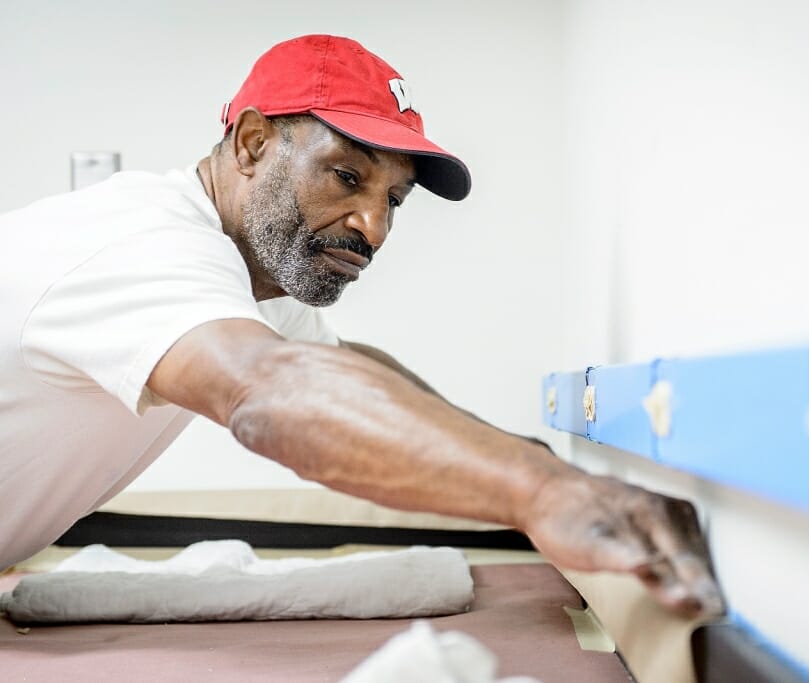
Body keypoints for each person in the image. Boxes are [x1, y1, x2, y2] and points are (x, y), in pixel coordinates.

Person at [0, 35, 722, 617]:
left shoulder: (247, 277)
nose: (372, 228)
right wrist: (539, 491)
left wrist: (534, 458)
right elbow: (269, 392)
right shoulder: (145, 242)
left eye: (395, 201)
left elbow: (344, 371)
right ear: (252, 142)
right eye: (347, 177)